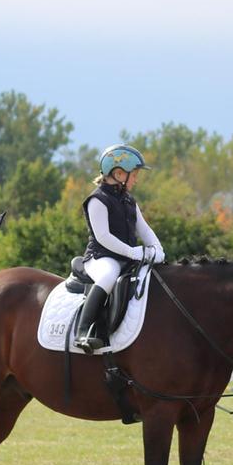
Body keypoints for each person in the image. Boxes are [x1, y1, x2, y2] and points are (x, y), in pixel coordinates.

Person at [73, 144, 164, 351]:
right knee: (109, 276)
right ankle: (83, 330)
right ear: (119, 173)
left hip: (127, 258)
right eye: (135, 174)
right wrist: (133, 252)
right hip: (100, 258)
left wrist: (158, 249)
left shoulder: (129, 200)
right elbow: (103, 237)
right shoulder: (97, 200)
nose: (136, 179)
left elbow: (145, 230)